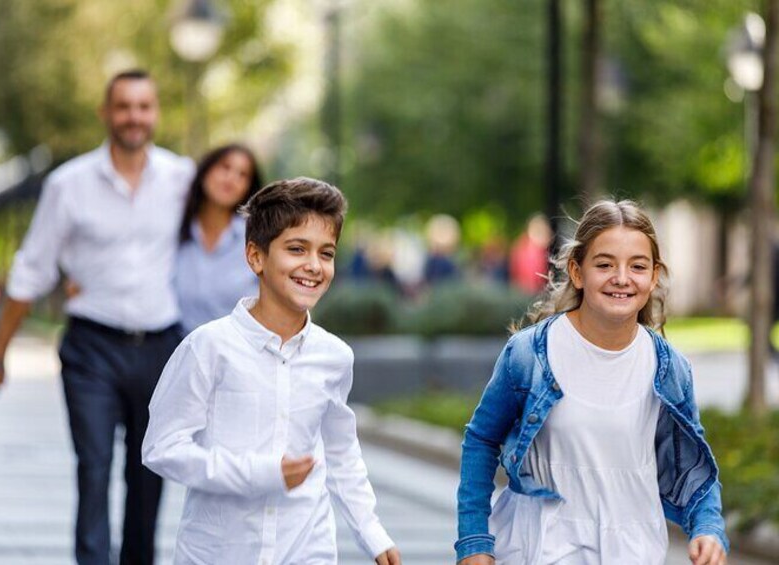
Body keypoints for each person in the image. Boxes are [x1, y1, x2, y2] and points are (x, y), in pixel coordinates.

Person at [0, 69, 194, 565]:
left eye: (144, 106)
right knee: (94, 467)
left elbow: (222, 240)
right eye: (124, 106)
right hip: (92, 348)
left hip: (162, 348)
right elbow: (31, 268)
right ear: (106, 113)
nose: (134, 117)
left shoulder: (182, 178)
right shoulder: (68, 184)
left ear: (156, 112)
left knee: (149, 471)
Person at [142, 177, 402, 565]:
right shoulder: (208, 347)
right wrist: (258, 472)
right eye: (297, 249)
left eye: (326, 253)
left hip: (305, 546)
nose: (314, 266)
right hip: (219, 551)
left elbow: (341, 451)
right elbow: (161, 448)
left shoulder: (334, 356)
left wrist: (371, 531)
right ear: (256, 257)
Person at [455, 200, 728, 565]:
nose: (621, 277)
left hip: (633, 551)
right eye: (604, 264)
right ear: (578, 272)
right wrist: (474, 541)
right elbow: (482, 440)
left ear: (654, 275)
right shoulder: (530, 355)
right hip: (540, 549)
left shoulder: (668, 368)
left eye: (637, 266)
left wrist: (708, 528)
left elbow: (693, 467)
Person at [175, 143, 263, 333]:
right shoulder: (177, 229)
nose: (231, 179)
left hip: (240, 353)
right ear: (206, 170)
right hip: (178, 351)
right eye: (225, 167)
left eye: (243, 175)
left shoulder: (257, 238)